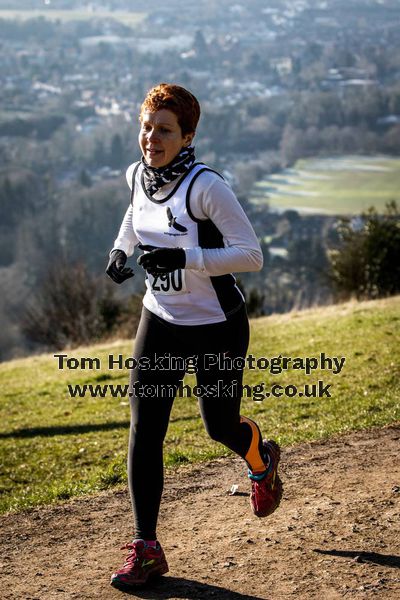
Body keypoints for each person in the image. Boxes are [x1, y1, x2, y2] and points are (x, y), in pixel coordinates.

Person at [106, 83, 283, 590]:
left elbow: (251, 256)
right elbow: (134, 215)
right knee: (145, 429)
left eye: (164, 130)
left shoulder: (208, 187)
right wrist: (121, 251)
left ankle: (261, 459)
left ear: (187, 136)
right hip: (160, 319)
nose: (151, 138)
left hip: (216, 325)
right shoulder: (138, 175)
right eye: (146, 126)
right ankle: (146, 549)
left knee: (218, 426)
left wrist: (186, 258)